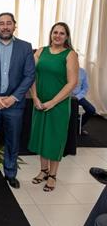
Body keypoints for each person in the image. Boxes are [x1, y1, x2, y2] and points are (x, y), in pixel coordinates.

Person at [0, 12, 35, 189]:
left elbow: (29, 75)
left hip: (14, 105)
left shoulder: (25, 47)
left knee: (12, 139)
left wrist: (14, 97)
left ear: (14, 26)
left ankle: (11, 173)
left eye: (8, 23)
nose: (5, 26)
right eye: (1, 23)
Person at [28, 22, 79, 192]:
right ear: (51, 34)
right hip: (39, 102)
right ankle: (43, 171)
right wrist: (34, 97)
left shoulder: (70, 54)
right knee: (42, 138)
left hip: (58, 105)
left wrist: (53, 102)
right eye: (55, 32)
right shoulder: (41, 51)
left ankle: (52, 176)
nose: (57, 36)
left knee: (54, 139)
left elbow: (72, 83)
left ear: (67, 36)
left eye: (61, 33)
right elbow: (30, 74)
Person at [73, 67, 96, 134]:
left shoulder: (82, 71)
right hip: (65, 97)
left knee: (91, 110)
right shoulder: (62, 70)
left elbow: (85, 88)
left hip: (78, 96)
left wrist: (78, 97)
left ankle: (77, 126)